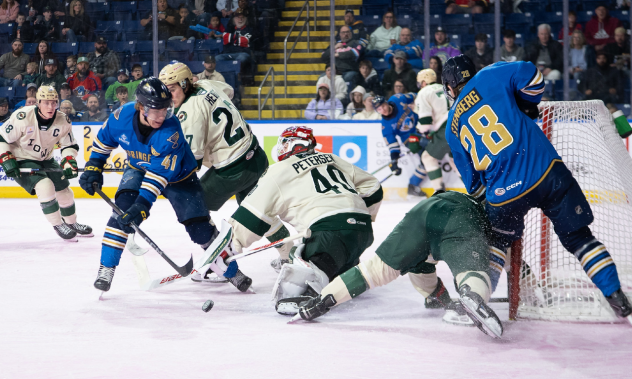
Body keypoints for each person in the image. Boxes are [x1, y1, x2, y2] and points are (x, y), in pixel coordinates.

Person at [442, 54, 632, 320]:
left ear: (450, 87)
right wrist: (527, 103)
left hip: (503, 191)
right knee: (579, 237)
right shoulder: (488, 75)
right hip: (546, 172)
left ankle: (478, 299)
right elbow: (532, 76)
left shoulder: (451, 125)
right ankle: (616, 297)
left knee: (497, 244)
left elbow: (474, 185)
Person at [78, 77, 248, 293]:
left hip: (179, 176)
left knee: (200, 230)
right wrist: (94, 165)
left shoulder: (170, 132)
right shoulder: (121, 116)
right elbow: (104, 140)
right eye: (155, 110)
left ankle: (232, 271)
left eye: (165, 109)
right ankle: (106, 268)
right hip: (138, 166)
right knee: (121, 210)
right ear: (140, 106)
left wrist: (142, 206)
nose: (161, 115)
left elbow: (157, 177)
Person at [288, 190, 502, 338]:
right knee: (471, 271)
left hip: (424, 210)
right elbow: (500, 258)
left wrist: (441, 300)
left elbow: (424, 277)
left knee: (373, 271)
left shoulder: (422, 265)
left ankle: (324, 299)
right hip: (463, 214)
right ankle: (473, 296)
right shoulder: (485, 216)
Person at [222, 126, 383, 311]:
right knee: (339, 252)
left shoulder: (280, 170)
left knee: (296, 261)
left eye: (283, 142)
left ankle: (312, 288)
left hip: (328, 231)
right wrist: (358, 213)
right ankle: (347, 271)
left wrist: (232, 245)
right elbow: (373, 187)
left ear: (291, 144)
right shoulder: (332, 158)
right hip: (363, 231)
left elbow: (254, 214)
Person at [158, 62, 293, 278]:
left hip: (233, 169)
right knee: (259, 211)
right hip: (256, 155)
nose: (168, 96)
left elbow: (192, 163)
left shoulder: (189, 113)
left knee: (195, 207)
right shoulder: (204, 84)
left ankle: (219, 262)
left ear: (184, 84)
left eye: (172, 89)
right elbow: (228, 90)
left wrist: (163, 180)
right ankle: (289, 254)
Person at [0, 85, 92, 241]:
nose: (50, 106)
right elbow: (2, 138)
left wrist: (69, 160)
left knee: (64, 191)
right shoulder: (22, 116)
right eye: (46, 102)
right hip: (22, 159)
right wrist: (6, 157)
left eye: (53, 102)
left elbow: (68, 145)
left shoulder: (62, 119)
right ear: (38, 102)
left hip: (46, 159)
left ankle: (71, 222)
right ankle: (58, 224)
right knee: (45, 186)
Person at [373, 93, 427, 197]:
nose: (383, 110)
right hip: (410, 139)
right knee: (428, 158)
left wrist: (420, 106)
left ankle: (413, 184)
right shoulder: (385, 127)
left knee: (427, 158)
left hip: (423, 124)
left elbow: (416, 96)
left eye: (383, 106)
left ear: (386, 102)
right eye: (379, 109)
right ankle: (413, 184)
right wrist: (394, 162)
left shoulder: (397, 98)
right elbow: (393, 146)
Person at [414, 69, 455, 193]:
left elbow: (425, 121)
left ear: (424, 82)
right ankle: (476, 191)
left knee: (427, 157)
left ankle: (439, 191)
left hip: (446, 128)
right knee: (456, 159)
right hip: (459, 123)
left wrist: (422, 131)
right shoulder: (446, 87)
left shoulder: (423, 92)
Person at [215, 9, 258, 77]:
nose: (240, 19)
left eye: (242, 17)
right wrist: (231, 37)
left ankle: (237, 77)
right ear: (234, 19)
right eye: (238, 17)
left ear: (246, 19)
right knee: (217, 58)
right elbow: (225, 40)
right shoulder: (230, 28)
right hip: (228, 54)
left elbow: (245, 40)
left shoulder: (250, 29)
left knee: (241, 58)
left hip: (242, 53)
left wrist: (228, 37)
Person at [321, 25, 366, 91]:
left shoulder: (355, 43)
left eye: (347, 32)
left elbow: (355, 53)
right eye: (343, 32)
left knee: (348, 77)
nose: (346, 34)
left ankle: (347, 99)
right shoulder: (335, 45)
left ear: (350, 33)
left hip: (349, 70)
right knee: (322, 77)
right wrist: (334, 47)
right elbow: (324, 57)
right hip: (334, 71)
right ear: (340, 34)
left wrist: (338, 54)